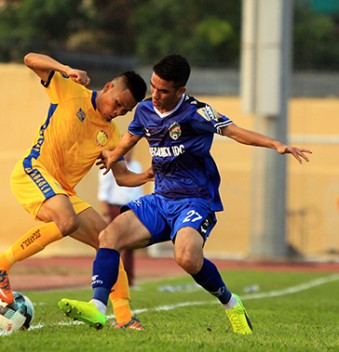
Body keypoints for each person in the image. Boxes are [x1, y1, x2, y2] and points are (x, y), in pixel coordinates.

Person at [58, 54, 313, 334]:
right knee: (109, 236)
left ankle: (230, 302)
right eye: (153, 86)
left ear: (181, 91)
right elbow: (130, 138)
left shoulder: (196, 113)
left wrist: (275, 143)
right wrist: (113, 157)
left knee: (187, 258)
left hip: (194, 200)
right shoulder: (144, 110)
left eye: (163, 90)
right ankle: (97, 308)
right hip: (160, 199)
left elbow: (235, 132)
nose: (155, 94)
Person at [0, 52, 152, 329]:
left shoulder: (112, 135)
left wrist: (145, 175)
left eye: (125, 111)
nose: (118, 112)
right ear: (109, 86)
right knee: (67, 220)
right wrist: (65, 68)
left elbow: (121, 177)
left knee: (109, 240)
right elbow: (29, 59)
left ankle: (123, 317)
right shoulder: (71, 90)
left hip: (63, 190)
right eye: (118, 103)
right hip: (33, 170)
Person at [98, 149, 143, 287]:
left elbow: (138, 191)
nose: (129, 153)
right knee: (113, 244)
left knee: (130, 245)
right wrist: (106, 214)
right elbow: (103, 192)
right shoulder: (111, 165)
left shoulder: (136, 166)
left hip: (132, 209)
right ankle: (110, 279)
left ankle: (129, 281)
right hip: (115, 208)